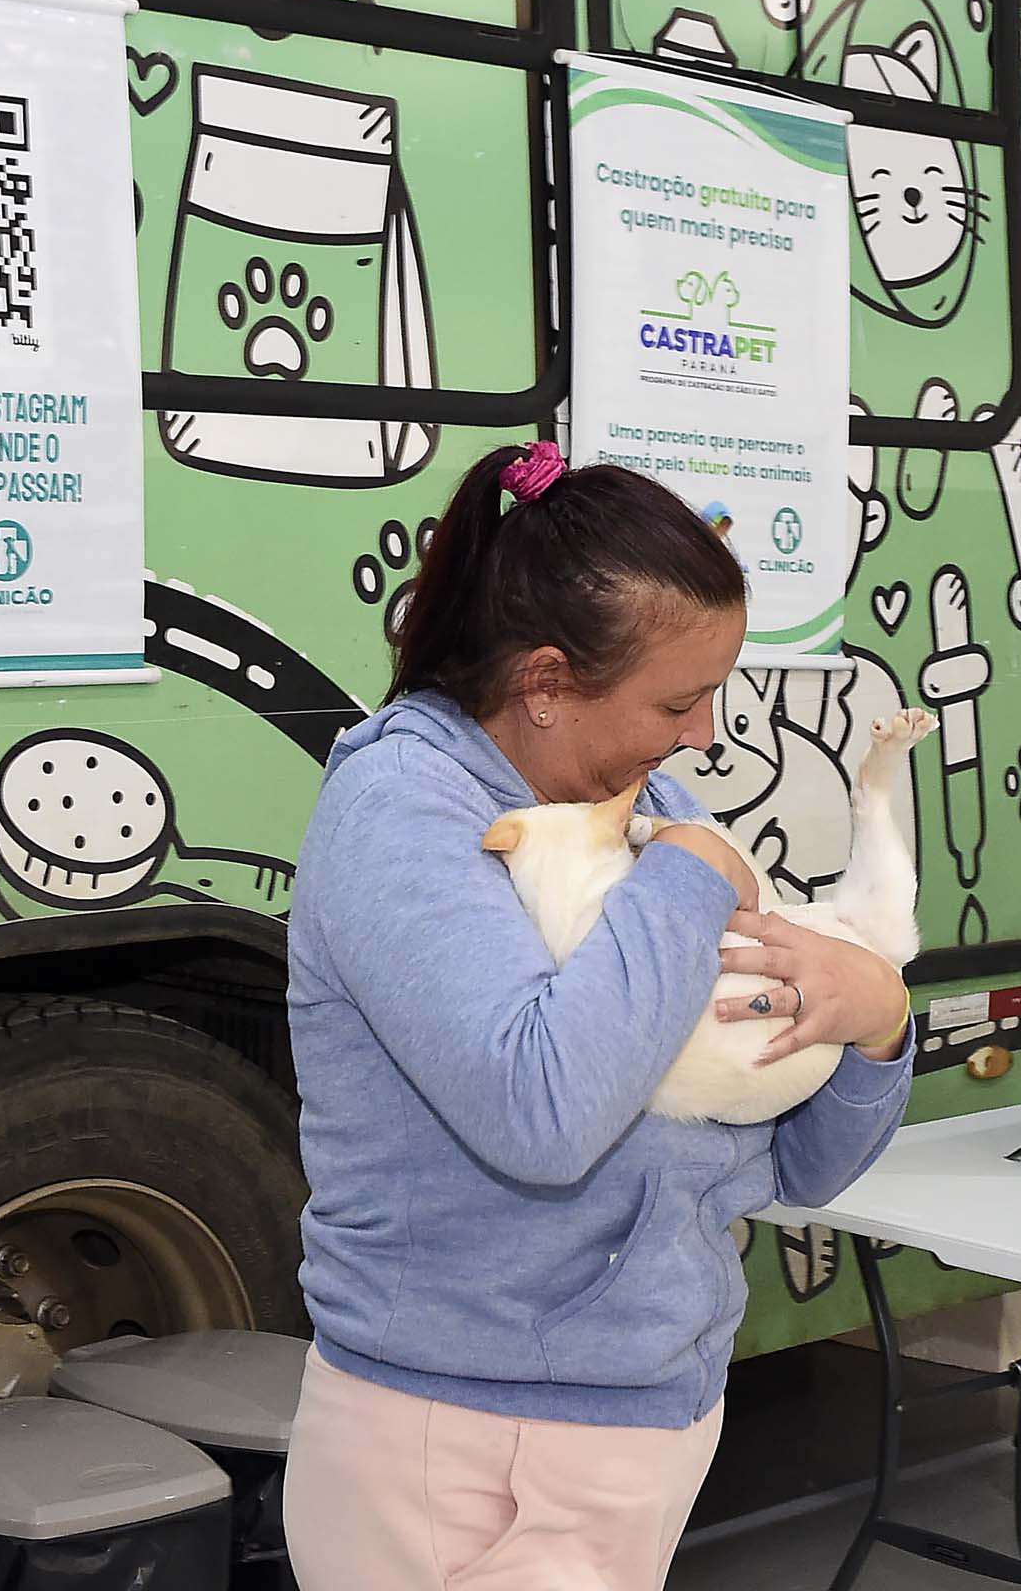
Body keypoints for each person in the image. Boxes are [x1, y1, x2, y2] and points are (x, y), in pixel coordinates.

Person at [283, 442, 916, 1590]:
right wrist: (689, 873)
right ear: (544, 681)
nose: (705, 733)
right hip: (458, 1432)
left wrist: (873, 1025)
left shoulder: (652, 805)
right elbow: (543, 1112)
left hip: (643, 1406)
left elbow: (797, 1164)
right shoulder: (403, 808)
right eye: (676, 701)